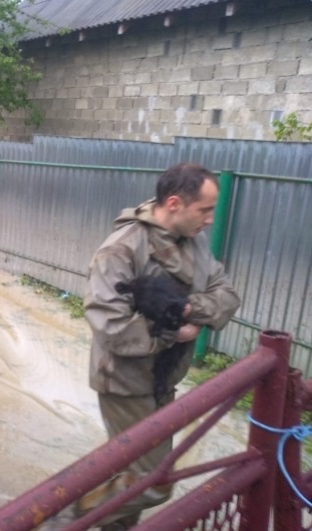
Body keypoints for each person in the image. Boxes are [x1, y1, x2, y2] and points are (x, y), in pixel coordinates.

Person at [79, 162, 241, 530]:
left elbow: (227, 294)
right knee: (153, 484)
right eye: (205, 210)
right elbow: (112, 327)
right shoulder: (121, 249)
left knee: (130, 478)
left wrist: (185, 309)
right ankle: (53, 520)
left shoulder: (195, 244)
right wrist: (174, 332)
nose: (211, 220)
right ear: (173, 204)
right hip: (124, 382)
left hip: (163, 379)